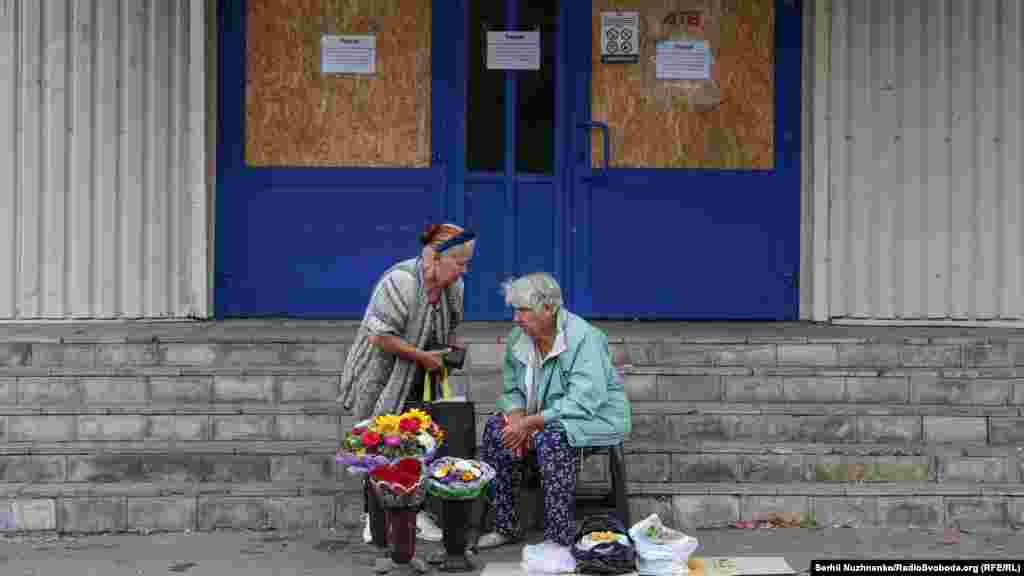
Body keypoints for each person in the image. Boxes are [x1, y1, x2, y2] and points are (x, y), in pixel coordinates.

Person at [337, 223, 476, 564]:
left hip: (421, 374)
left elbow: (452, 325)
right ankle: (375, 520)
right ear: (434, 257)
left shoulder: (453, 286)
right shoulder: (400, 282)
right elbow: (380, 336)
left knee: (416, 442)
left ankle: (415, 515)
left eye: (466, 263)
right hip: (382, 373)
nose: (464, 270)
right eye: (459, 262)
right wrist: (421, 356)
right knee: (379, 442)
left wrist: (452, 347)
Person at [475, 272, 631, 561]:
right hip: (540, 416)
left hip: (592, 417)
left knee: (553, 438)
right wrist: (517, 418)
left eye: (523, 310)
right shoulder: (518, 339)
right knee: (498, 428)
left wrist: (530, 423)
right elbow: (511, 390)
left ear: (549, 308)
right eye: (514, 310)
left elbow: (584, 400)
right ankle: (505, 524)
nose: (516, 319)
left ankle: (559, 535)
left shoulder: (584, 338)